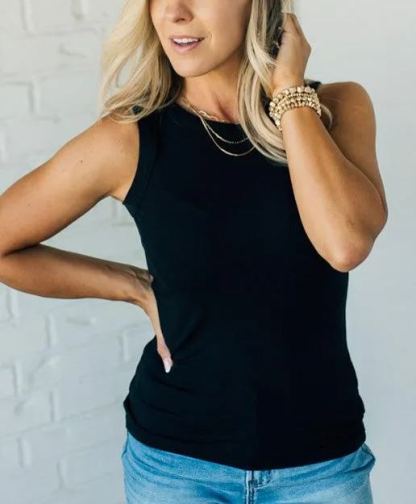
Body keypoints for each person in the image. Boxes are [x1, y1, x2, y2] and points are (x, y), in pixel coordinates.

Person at [0, 1, 388, 503]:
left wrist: (287, 90)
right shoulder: (129, 138)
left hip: (321, 468)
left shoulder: (336, 107)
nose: (174, 12)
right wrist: (134, 288)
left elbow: (345, 244)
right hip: (176, 468)